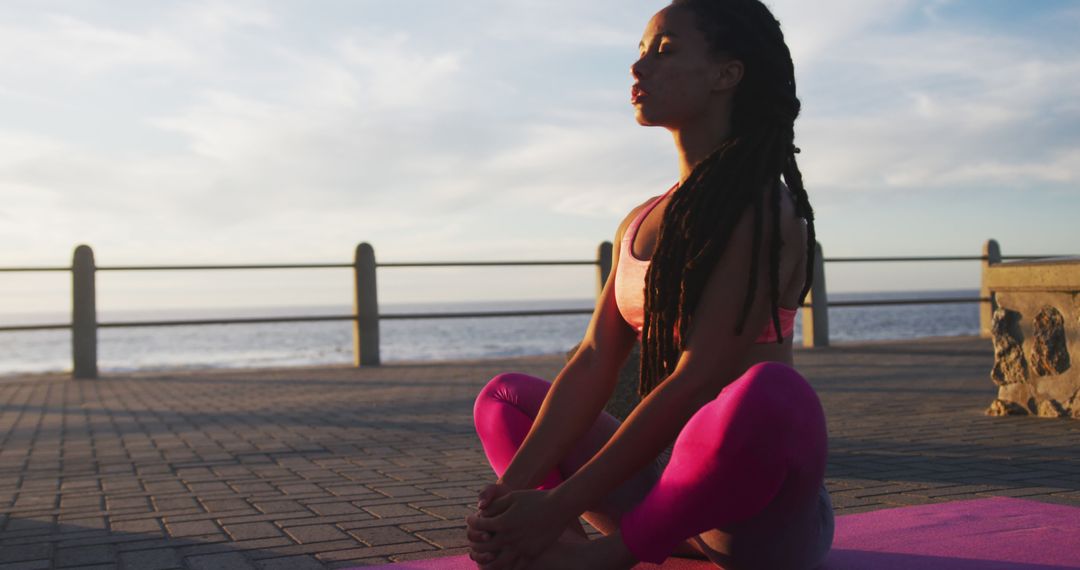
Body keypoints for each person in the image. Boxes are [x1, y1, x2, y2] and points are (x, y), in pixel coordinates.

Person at [467, 0, 831, 568]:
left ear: (726, 74)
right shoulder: (640, 220)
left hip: (751, 517)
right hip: (659, 495)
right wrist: (509, 497)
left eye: (664, 52)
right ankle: (548, 541)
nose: (639, 69)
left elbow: (696, 380)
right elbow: (592, 362)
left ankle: (608, 555)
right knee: (503, 399)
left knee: (774, 394)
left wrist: (563, 501)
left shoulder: (765, 211)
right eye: (640, 53)